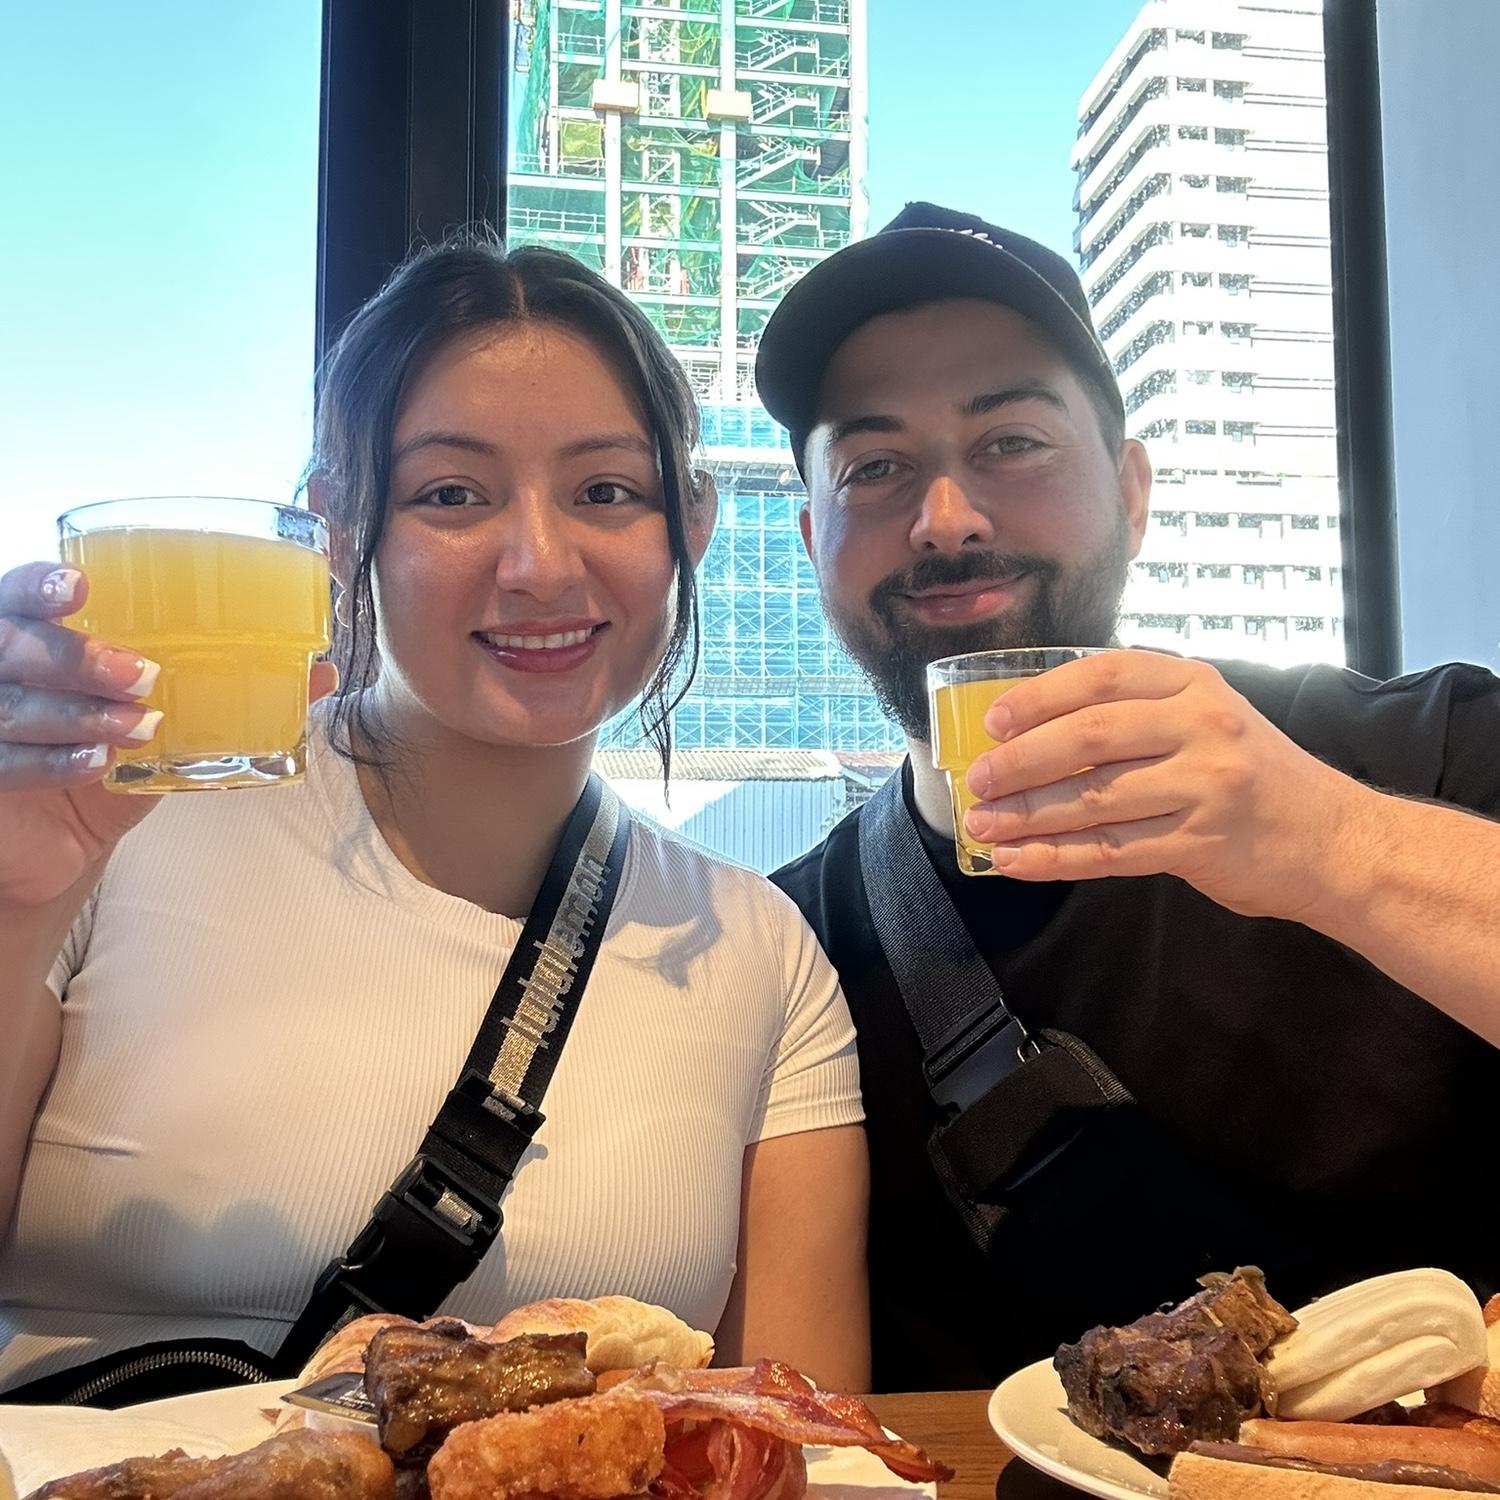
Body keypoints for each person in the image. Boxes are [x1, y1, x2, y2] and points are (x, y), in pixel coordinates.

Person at [0, 237, 869, 1398]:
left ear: (692, 523)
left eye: (606, 491)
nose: (539, 565)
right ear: (336, 528)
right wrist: (14, 905)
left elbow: (804, 1442)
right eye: (451, 495)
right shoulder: (109, 828)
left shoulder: (759, 952)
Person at [756, 201, 1500, 1393]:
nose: (945, 519)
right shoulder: (786, 951)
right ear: (811, 539)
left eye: (1011, 442)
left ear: (1132, 491)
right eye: (875, 468)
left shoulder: (1424, 753)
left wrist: (1332, 843)